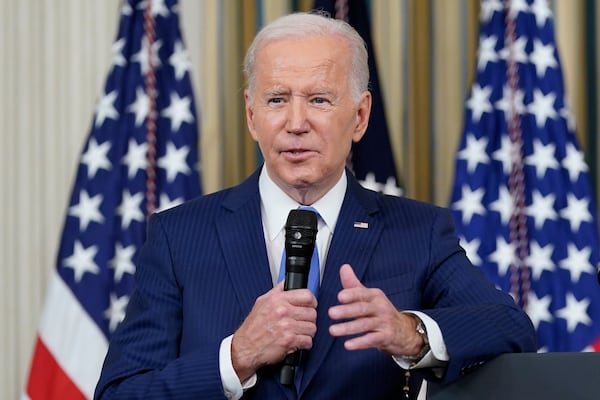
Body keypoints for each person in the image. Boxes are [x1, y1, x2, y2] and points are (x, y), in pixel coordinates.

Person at [94, 11, 536, 400]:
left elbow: (511, 328)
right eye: (277, 100)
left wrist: (411, 333)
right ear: (252, 115)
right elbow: (121, 393)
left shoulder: (418, 231)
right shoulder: (179, 236)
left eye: (319, 100)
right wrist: (236, 355)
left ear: (359, 117)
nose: (296, 123)